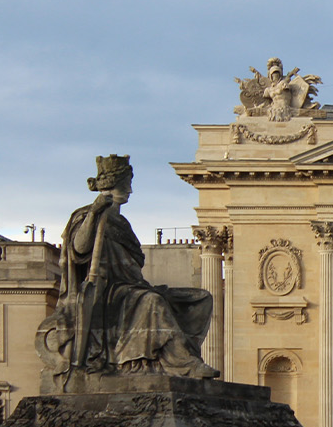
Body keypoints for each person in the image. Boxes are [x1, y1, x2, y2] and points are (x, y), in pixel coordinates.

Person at [36, 155, 220, 387]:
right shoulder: (86, 216)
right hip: (109, 291)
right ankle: (182, 362)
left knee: (200, 299)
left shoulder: (121, 222)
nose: (130, 190)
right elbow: (79, 248)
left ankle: (181, 356)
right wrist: (94, 213)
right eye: (126, 184)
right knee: (152, 302)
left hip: (133, 288)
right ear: (112, 186)